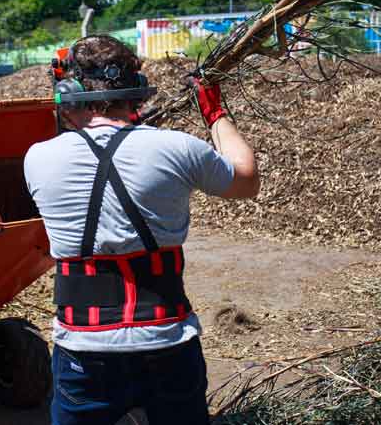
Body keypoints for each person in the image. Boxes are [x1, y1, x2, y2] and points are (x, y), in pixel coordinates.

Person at [24, 35, 260, 425]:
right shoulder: (179, 148)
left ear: (69, 92)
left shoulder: (37, 158)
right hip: (167, 344)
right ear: (137, 93)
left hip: (84, 351)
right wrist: (215, 113)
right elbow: (246, 180)